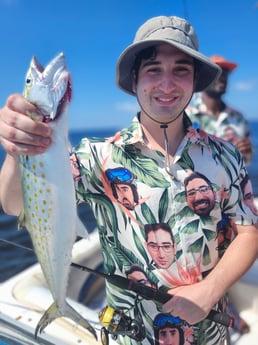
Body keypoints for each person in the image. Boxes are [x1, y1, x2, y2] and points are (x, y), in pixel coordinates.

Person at [0, 15, 257, 345]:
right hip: (127, 335)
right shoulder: (96, 156)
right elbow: (14, 204)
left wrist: (210, 290)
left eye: (181, 69)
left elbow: (248, 230)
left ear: (195, 82)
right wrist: (16, 149)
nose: (167, 84)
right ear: (134, 81)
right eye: (153, 70)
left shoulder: (226, 155)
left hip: (208, 331)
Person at [187, 55, 253, 165]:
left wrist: (247, 154)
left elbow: (246, 161)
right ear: (202, 78)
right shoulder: (186, 116)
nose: (223, 77)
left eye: (226, 73)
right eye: (217, 73)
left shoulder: (238, 118)